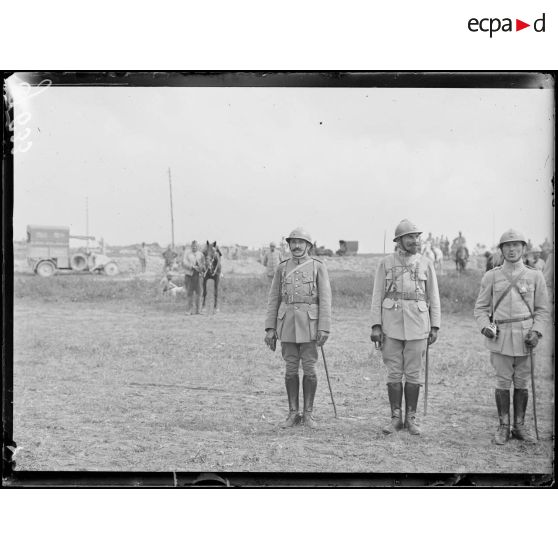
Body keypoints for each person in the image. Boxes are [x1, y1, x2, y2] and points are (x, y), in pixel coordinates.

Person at [474, 229, 549, 445]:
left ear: (524, 249)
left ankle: (520, 426)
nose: (512, 249)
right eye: (507, 245)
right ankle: (503, 427)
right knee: (503, 382)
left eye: (517, 245)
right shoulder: (492, 276)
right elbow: (480, 309)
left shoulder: (535, 276)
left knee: (522, 383)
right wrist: (485, 327)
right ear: (501, 250)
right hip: (501, 338)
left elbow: (543, 310)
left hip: (526, 338)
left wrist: (537, 331)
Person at [370, 219, 441, 436]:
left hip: (419, 325)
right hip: (391, 325)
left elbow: (434, 297)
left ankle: (411, 418)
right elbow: (377, 295)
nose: (415, 241)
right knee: (393, 372)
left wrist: (435, 325)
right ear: (399, 240)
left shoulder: (427, 263)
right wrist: (376, 325)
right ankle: (395, 418)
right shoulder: (386, 263)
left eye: (416, 237)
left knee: (413, 373)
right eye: (410, 237)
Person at [264, 227, 332, 428]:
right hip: (287, 325)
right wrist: (270, 327)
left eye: (300, 242)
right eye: (293, 242)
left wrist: (324, 327)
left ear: (308, 246)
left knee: (309, 369)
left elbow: (326, 299)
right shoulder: (282, 267)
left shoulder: (318, 266)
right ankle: (293, 413)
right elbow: (274, 298)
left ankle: (308, 414)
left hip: (310, 325)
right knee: (290, 369)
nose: (296, 246)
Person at [183, 240, 205, 315]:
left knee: (199, 293)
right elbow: (184, 262)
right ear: (191, 246)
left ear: (197, 246)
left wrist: (201, 267)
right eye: (193, 246)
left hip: (198, 276)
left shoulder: (200, 254)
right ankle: (189, 310)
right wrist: (192, 267)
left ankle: (198, 310)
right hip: (189, 276)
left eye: (196, 246)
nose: (194, 247)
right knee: (190, 293)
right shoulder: (187, 254)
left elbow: (203, 263)